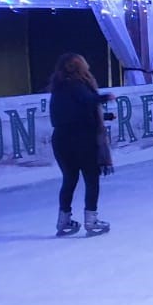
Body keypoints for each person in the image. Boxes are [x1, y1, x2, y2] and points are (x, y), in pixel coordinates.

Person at [47, 52, 115, 237]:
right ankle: (91, 220)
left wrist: (105, 116)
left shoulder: (58, 88)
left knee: (69, 178)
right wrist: (105, 97)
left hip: (61, 139)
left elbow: (73, 111)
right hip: (82, 138)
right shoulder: (77, 85)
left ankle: (64, 220)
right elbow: (87, 101)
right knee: (91, 178)